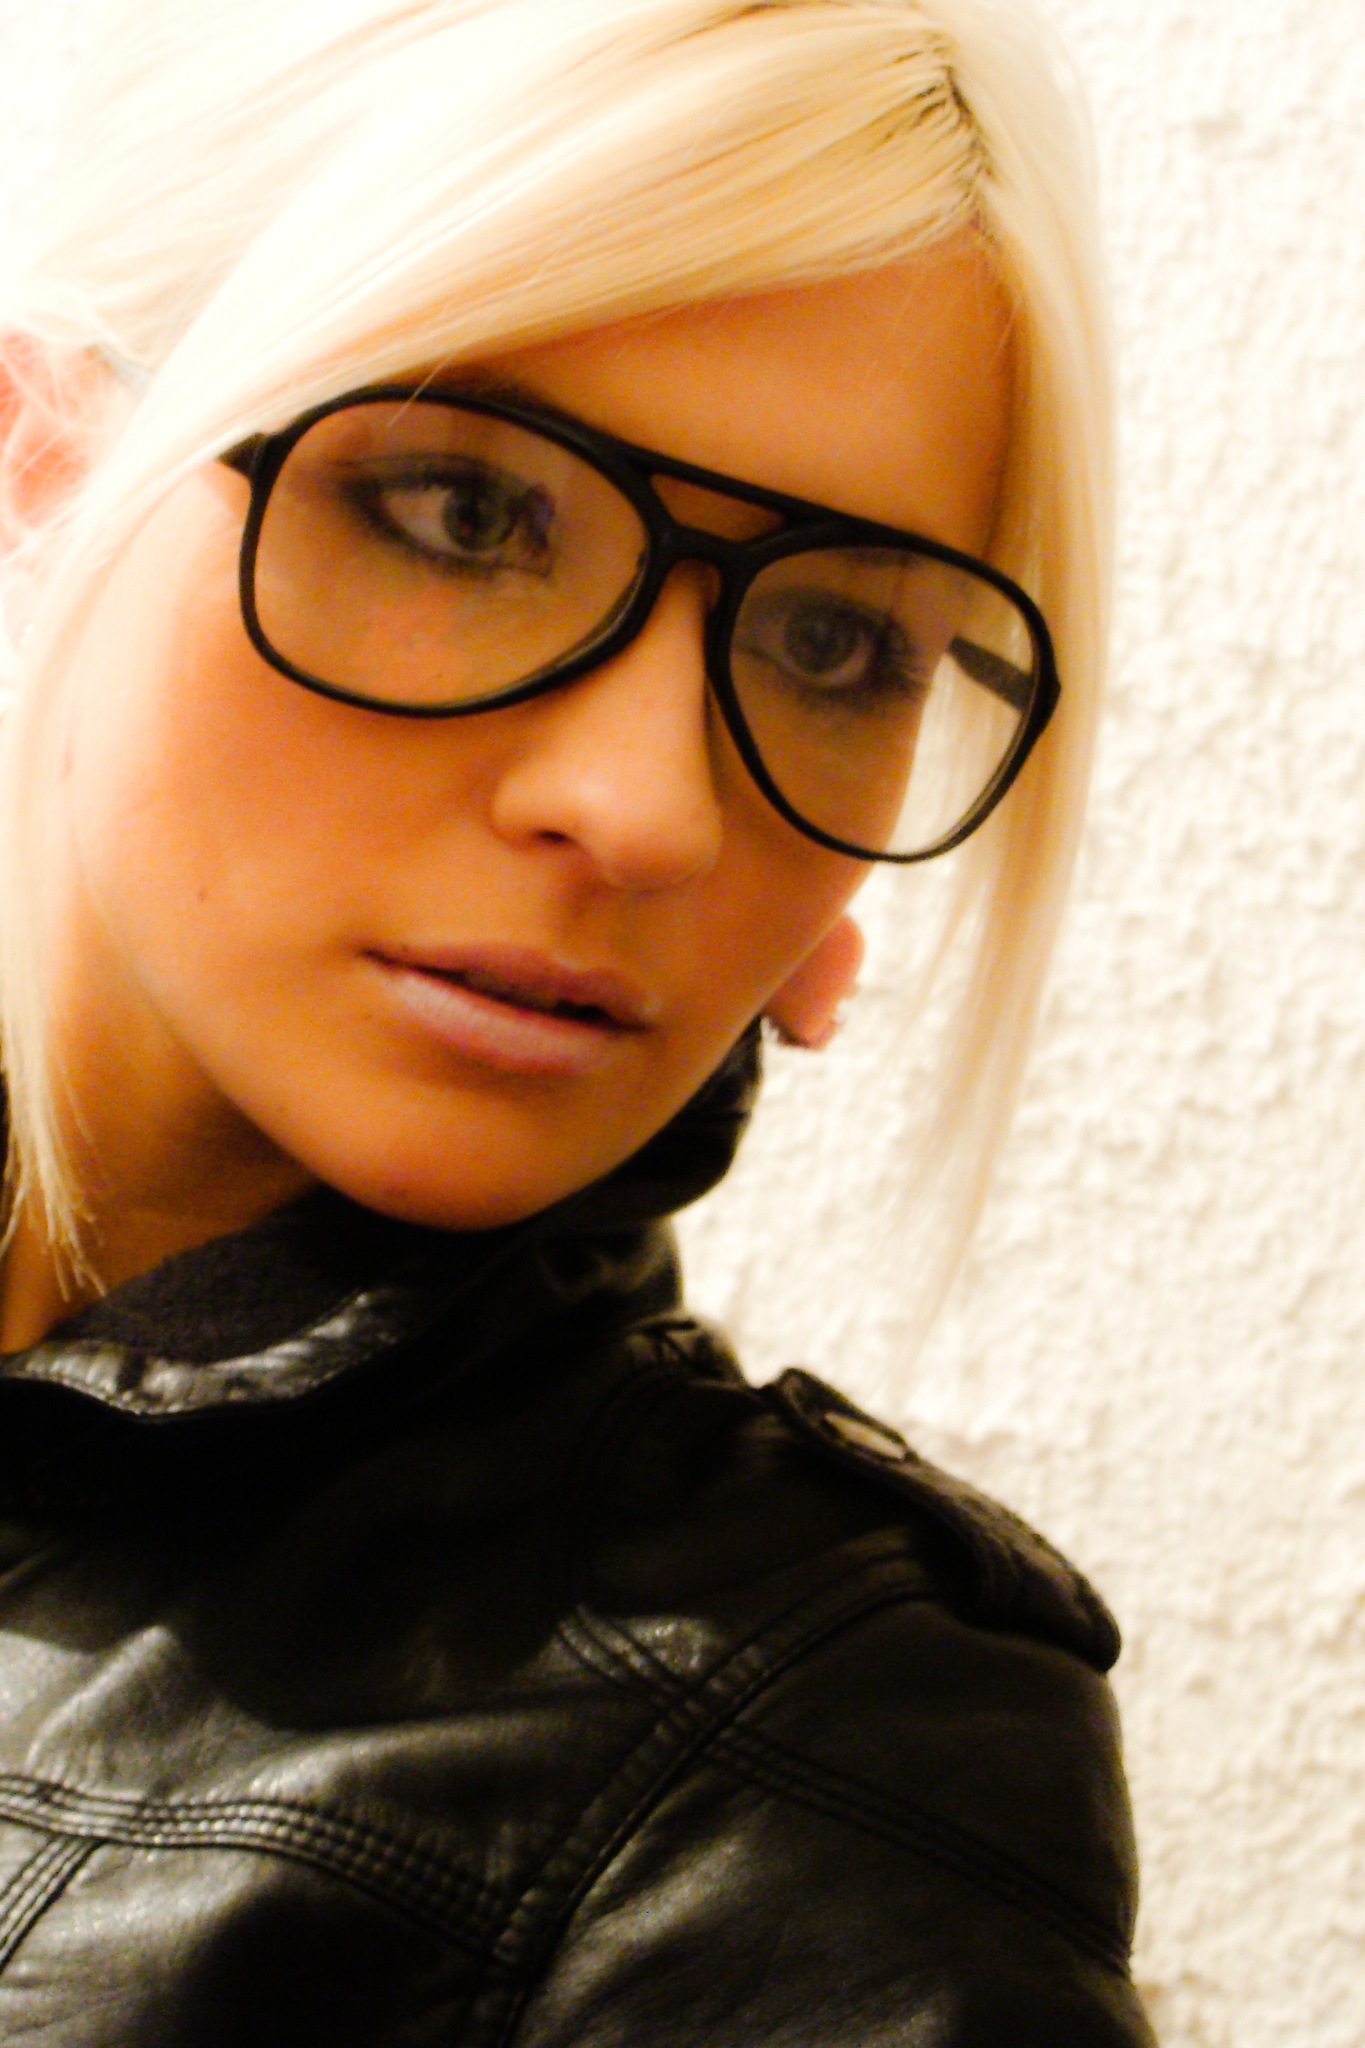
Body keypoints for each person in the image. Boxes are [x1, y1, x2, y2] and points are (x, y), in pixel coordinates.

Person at [0, 0, 1155, 2039]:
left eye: (831, 641)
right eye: (466, 513)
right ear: (45, 455)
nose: (649, 812)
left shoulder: (823, 1790)